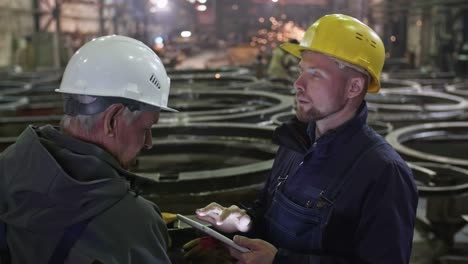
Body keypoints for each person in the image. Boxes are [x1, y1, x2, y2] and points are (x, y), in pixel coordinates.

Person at [192, 14, 418, 263]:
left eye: (316, 74)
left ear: (353, 87)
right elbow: (267, 210)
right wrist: (241, 222)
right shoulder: (296, 143)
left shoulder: (383, 173)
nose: (298, 84)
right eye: (301, 71)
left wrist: (279, 261)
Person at [0, 35, 177, 263]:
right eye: (146, 128)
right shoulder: (131, 224)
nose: (148, 142)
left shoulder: (7, 170)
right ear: (112, 120)